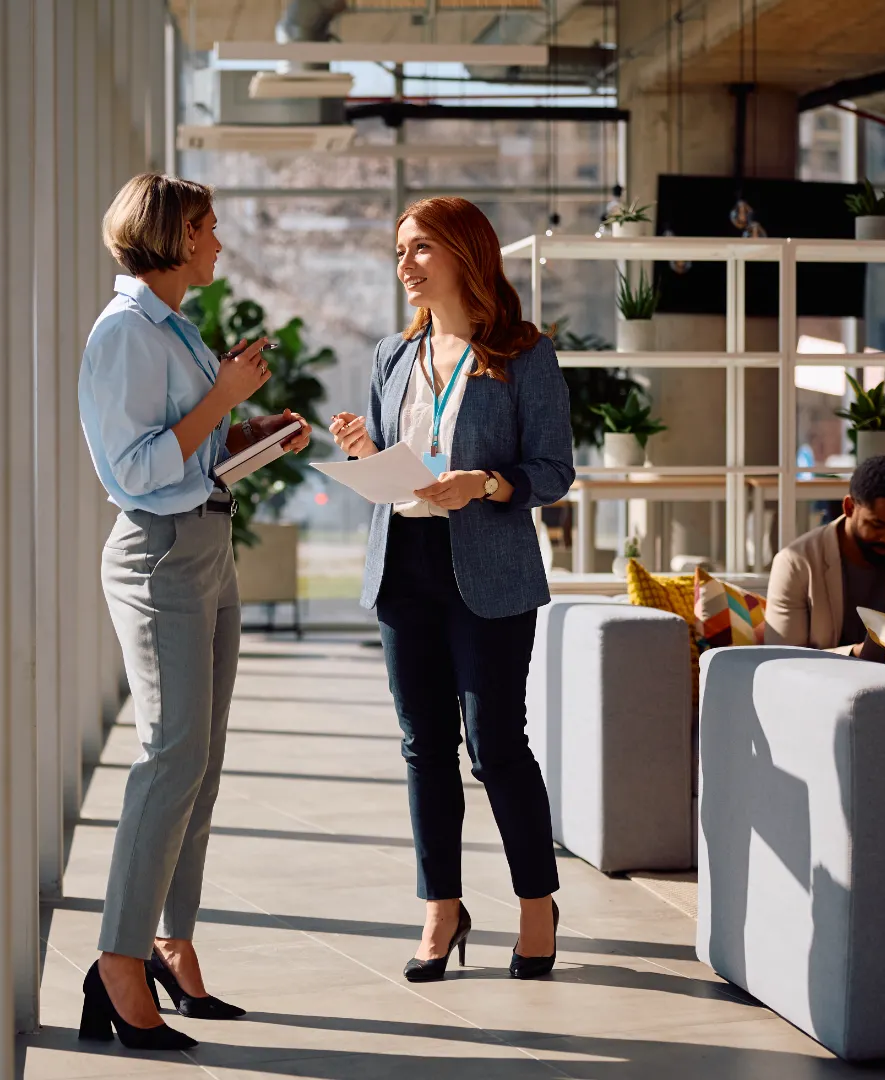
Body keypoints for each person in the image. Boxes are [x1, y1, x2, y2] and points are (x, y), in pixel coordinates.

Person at [77, 173, 311, 1051]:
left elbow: (188, 453)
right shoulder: (125, 333)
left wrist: (247, 434)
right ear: (172, 237)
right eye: (208, 228)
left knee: (199, 762)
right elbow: (134, 471)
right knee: (170, 755)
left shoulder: (172, 327)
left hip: (206, 544)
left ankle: (170, 942)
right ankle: (119, 961)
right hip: (161, 555)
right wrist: (222, 399)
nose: (219, 243)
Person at [328, 197, 575, 982]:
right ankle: (442, 909)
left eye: (420, 248)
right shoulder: (390, 359)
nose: (404, 265)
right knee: (422, 747)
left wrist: (490, 484)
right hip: (404, 564)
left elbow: (555, 470)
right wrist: (366, 453)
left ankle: (538, 906)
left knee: (496, 746)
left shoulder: (524, 356)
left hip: (490, 573)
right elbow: (392, 470)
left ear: (466, 253)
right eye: (399, 250)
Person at [766, 454, 885, 658]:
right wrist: (855, 653)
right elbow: (782, 659)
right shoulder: (795, 563)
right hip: (816, 686)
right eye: (877, 525)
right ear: (849, 507)